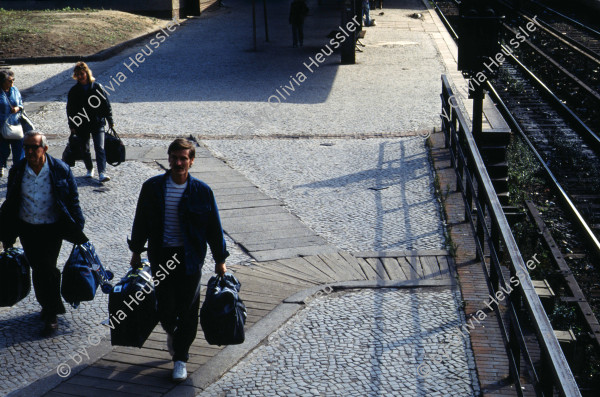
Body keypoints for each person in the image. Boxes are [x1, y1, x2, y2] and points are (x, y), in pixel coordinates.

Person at [128, 138, 229, 382]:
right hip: (161, 256)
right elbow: (141, 220)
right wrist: (136, 251)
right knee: (165, 307)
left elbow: (214, 227)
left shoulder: (202, 191)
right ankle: (173, 333)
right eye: (174, 157)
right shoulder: (152, 188)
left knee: (187, 310)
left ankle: (180, 358)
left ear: (191, 161)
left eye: (184, 158)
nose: (178, 162)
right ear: (169, 159)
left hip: (190, 258)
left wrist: (219, 258)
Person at [0, 131, 86, 337]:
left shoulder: (60, 170)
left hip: (52, 228)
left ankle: (51, 312)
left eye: (34, 147)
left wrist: (77, 227)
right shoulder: (18, 170)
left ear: (45, 149)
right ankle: (49, 307)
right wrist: (6, 232)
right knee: (40, 268)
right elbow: (11, 201)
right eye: (26, 147)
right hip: (27, 227)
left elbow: (72, 200)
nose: (29, 151)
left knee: (46, 268)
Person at [66, 62, 114, 183]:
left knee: (100, 148)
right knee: (85, 149)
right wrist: (72, 125)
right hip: (82, 124)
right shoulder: (74, 91)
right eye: (77, 75)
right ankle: (89, 168)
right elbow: (70, 110)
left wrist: (110, 120)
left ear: (87, 73)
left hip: (97, 123)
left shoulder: (97, 87)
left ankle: (102, 172)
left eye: (82, 74)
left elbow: (106, 104)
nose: (80, 77)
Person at [0, 70, 25, 178]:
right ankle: (1, 165)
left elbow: (21, 104)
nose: (12, 82)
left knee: (19, 149)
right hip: (2, 126)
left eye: (13, 80)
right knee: (3, 150)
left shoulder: (15, 90)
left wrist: (18, 108)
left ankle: (18, 169)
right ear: (2, 81)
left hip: (16, 125)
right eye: (10, 80)